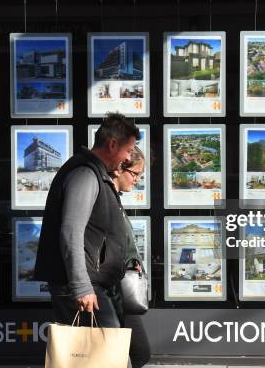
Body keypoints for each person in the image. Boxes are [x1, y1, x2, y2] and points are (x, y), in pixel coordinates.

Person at [34, 112, 140, 330]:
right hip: (84, 286)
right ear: (112, 144)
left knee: (103, 356)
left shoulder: (95, 172)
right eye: (128, 150)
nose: (128, 158)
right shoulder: (85, 174)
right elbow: (71, 231)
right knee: (108, 357)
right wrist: (81, 286)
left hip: (94, 283)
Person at [110, 146, 151, 368]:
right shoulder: (106, 199)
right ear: (119, 169)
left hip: (119, 291)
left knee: (133, 354)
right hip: (111, 292)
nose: (137, 180)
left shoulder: (115, 200)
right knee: (139, 352)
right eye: (135, 174)